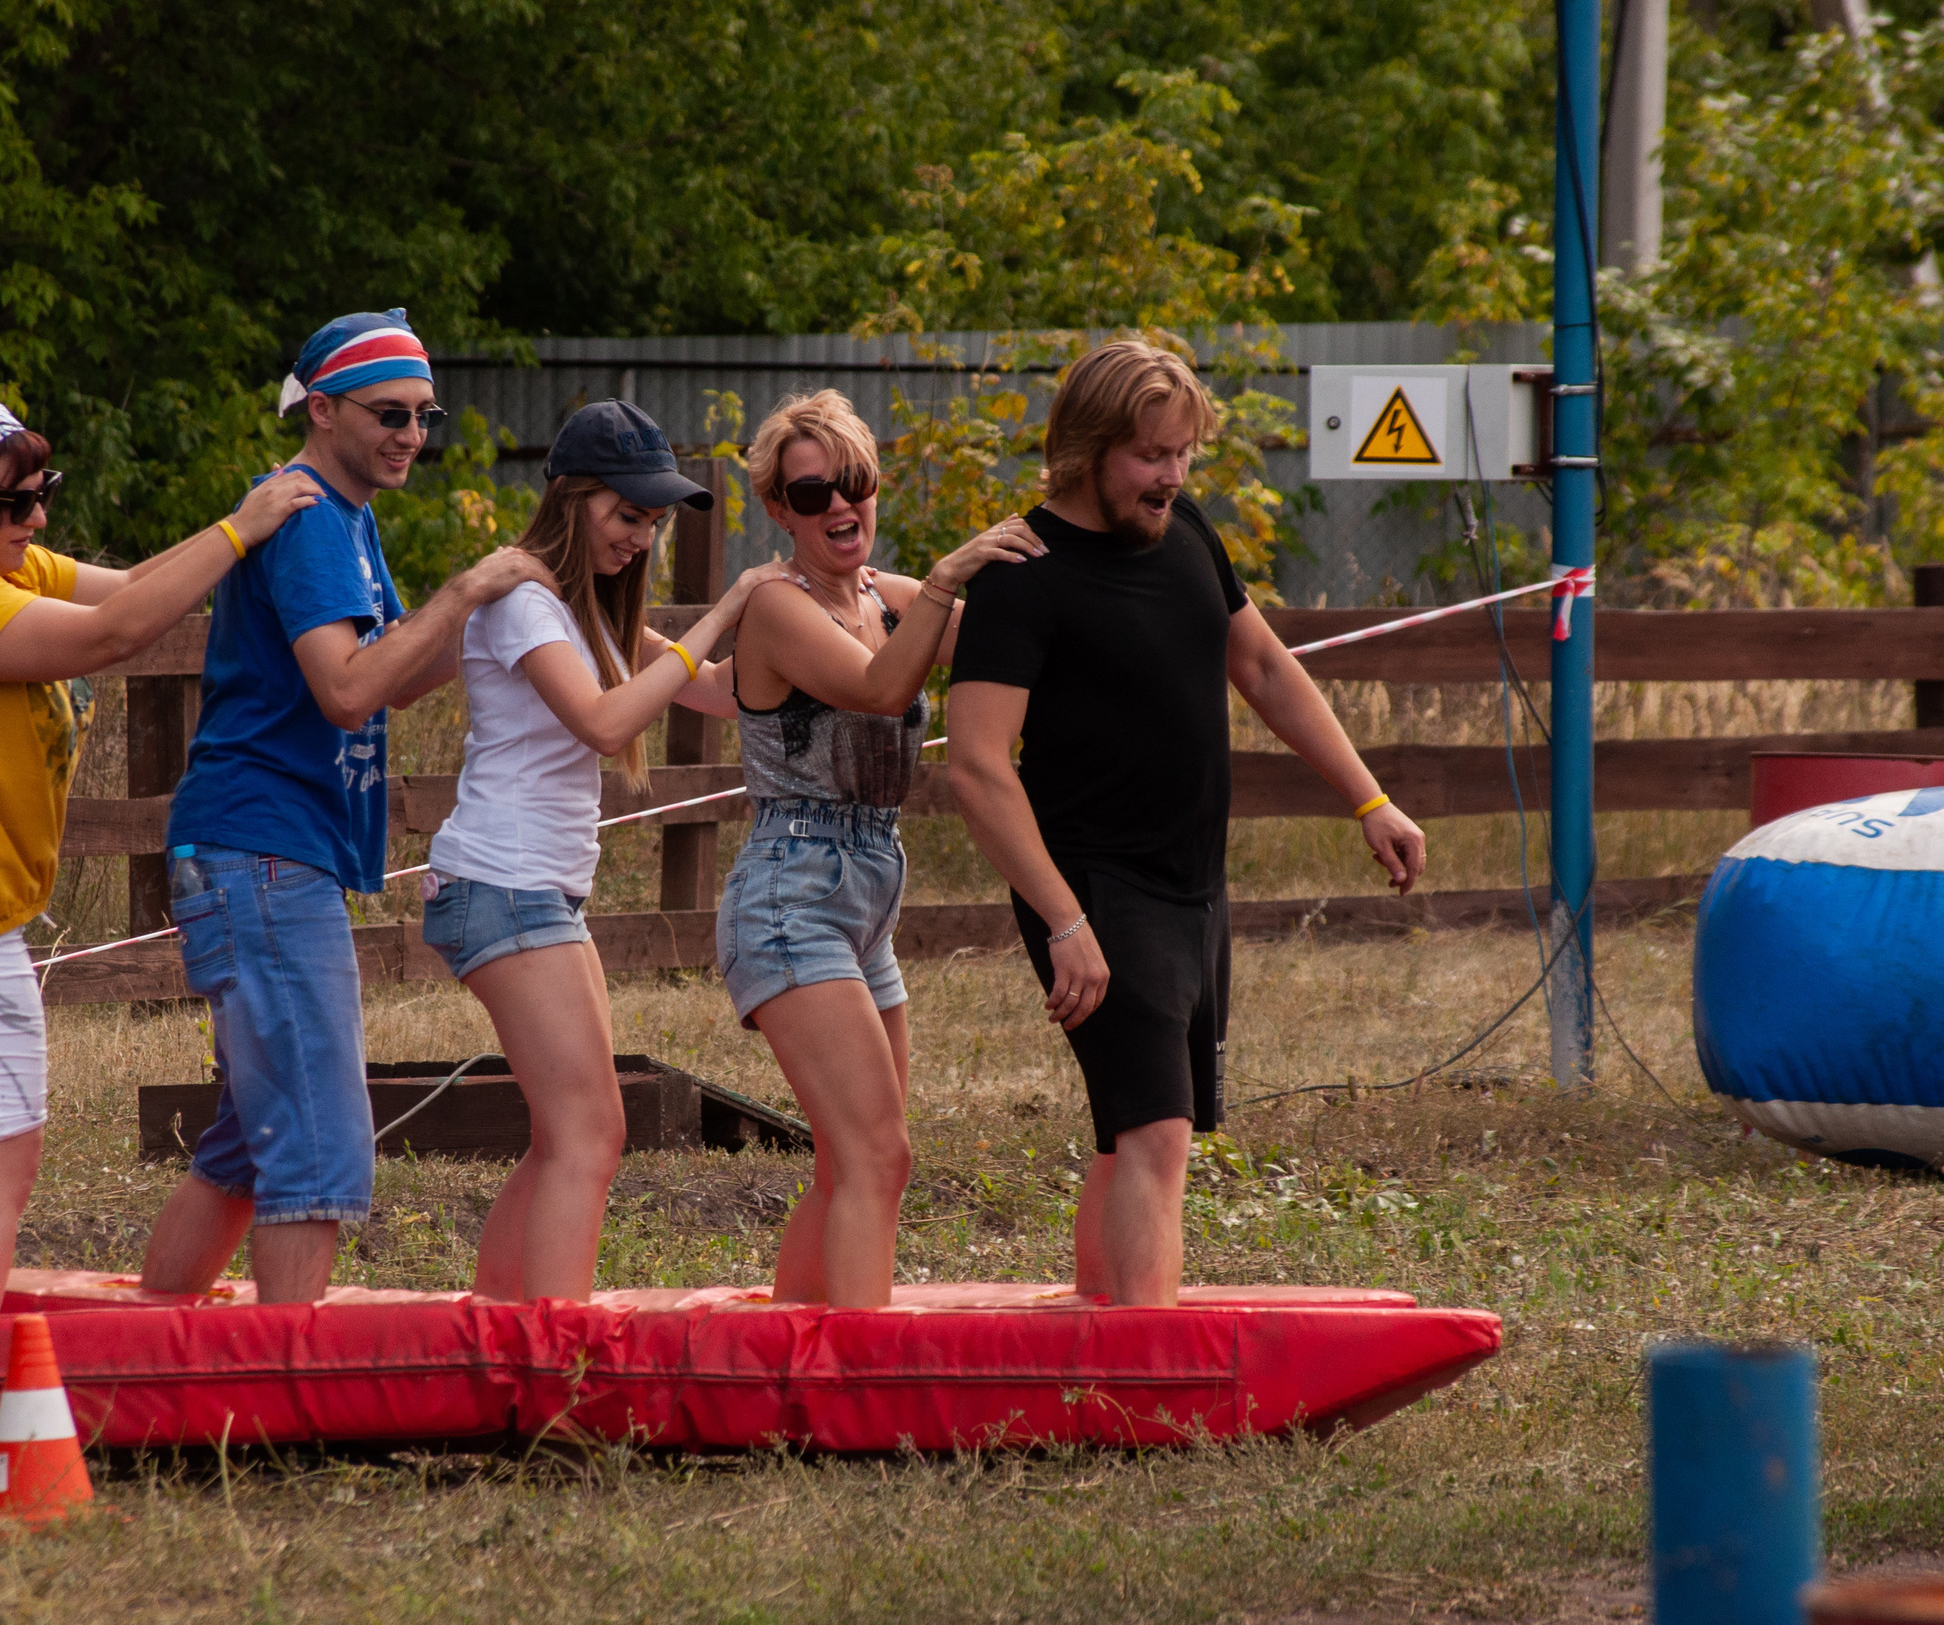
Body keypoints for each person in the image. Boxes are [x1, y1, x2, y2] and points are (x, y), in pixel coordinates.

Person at [0, 394, 321, 1314]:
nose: (35, 518)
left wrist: (248, 540)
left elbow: (139, 587)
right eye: (12, 501)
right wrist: (242, 527)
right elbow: (114, 634)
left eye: (44, 492)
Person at [947, 338, 1429, 1307]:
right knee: (1157, 1133)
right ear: (1084, 449)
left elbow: (1264, 669)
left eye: (1182, 454)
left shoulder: (1187, 532)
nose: (1171, 476)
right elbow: (977, 766)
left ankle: (1101, 1339)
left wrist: (1368, 798)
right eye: (1149, 455)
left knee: (1133, 1129)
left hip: (1191, 885)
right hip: (1092, 885)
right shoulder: (1021, 575)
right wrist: (1064, 919)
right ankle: (1145, 1360)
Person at [139, 309, 555, 1306]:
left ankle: (148, 1341)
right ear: (321, 409)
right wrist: (463, 592)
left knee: (249, 1140)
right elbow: (348, 689)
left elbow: (394, 676)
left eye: (423, 414)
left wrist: (513, 611)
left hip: (266, 850)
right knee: (318, 1145)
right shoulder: (310, 517)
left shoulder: (346, 515)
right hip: (262, 849)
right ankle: (287, 1383)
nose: (411, 433)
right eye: (388, 413)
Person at [421, 401, 787, 1301]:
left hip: (536, 892)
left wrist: (810, 612)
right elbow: (604, 721)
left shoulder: (586, 611)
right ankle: (555, 1347)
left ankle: (500, 1327)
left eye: (653, 522)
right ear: (572, 499)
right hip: (500, 885)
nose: (641, 538)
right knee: (590, 1134)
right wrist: (724, 607)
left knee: (570, 1136)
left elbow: (721, 691)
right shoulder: (526, 602)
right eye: (627, 515)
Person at [717, 390, 1044, 1309]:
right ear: (779, 509)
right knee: (874, 1152)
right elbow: (875, 687)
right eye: (810, 492)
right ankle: (855, 1363)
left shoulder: (884, 597)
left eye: (854, 482)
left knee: (857, 1158)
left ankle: (794, 1345)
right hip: (791, 891)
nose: (839, 505)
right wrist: (945, 580)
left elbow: (1014, 645)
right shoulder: (777, 607)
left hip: (867, 891)